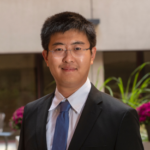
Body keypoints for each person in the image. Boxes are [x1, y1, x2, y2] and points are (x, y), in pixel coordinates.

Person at [18, 12, 144, 150]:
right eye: (59, 49)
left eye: (77, 48)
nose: (68, 58)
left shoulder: (120, 116)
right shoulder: (31, 112)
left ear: (92, 55)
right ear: (46, 57)